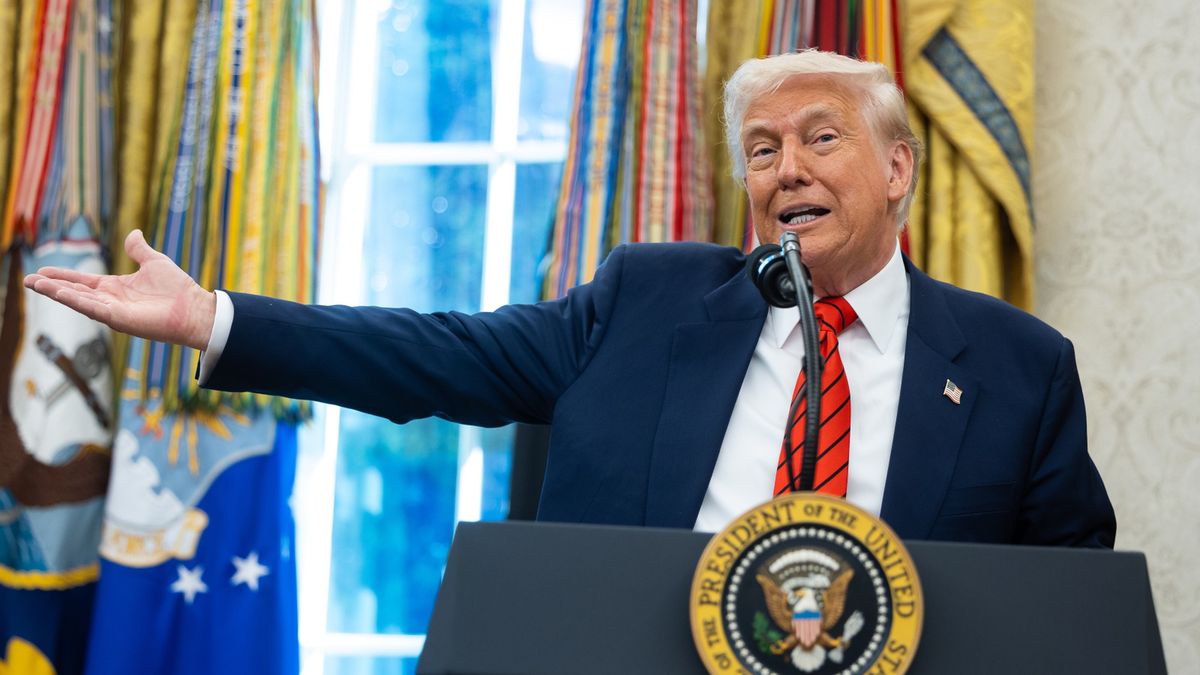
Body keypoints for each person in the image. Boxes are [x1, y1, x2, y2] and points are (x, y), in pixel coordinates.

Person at [24, 51, 1115, 547]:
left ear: (897, 170)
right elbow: (438, 355)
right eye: (764, 149)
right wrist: (214, 318)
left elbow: (1069, 611)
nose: (789, 169)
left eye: (823, 138)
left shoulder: (1019, 365)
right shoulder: (648, 300)